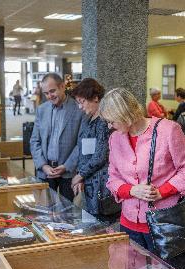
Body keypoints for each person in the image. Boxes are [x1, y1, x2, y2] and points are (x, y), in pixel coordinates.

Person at [99, 87, 185, 252]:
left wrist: (162, 191)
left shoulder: (168, 130)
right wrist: (132, 190)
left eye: (112, 121)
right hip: (128, 222)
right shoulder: (115, 138)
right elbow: (112, 177)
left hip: (163, 223)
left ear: (125, 115)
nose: (110, 126)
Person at [30, 73, 83, 201]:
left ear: (62, 86)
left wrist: (66, 166)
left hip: (68, 172)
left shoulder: (79, 109)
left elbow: (81, 143)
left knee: (68, 214)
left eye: (52, 91)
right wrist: (43, 166)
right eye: (46, 93)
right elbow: (34, 140)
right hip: (45, 171)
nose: (49, 96)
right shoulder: (41, 110)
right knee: (44, 211)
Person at [71, 78, 111, 216]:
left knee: (100, 221)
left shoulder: (104, 121)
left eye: (82, 102)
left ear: (95, 98)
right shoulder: (88, 119)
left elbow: (100, 155)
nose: (80, 107)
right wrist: (81, 176)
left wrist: (80, 175)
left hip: (100, 182)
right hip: (88, 179)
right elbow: (83, 151)